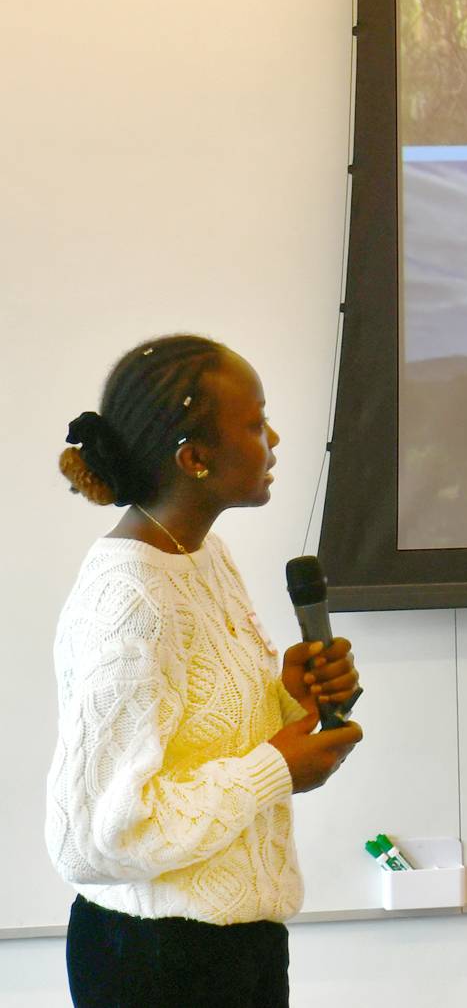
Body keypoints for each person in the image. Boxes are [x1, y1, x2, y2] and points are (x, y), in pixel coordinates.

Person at [48, 335, 363, 1007]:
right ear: (193, 458)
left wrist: (289, 702)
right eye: (254, 424)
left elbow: (202, 739)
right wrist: (278, 767)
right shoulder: (128, 598)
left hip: (234, 941)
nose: (273, 438)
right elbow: (99, 833)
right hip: (157, 957)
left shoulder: (201, 555)